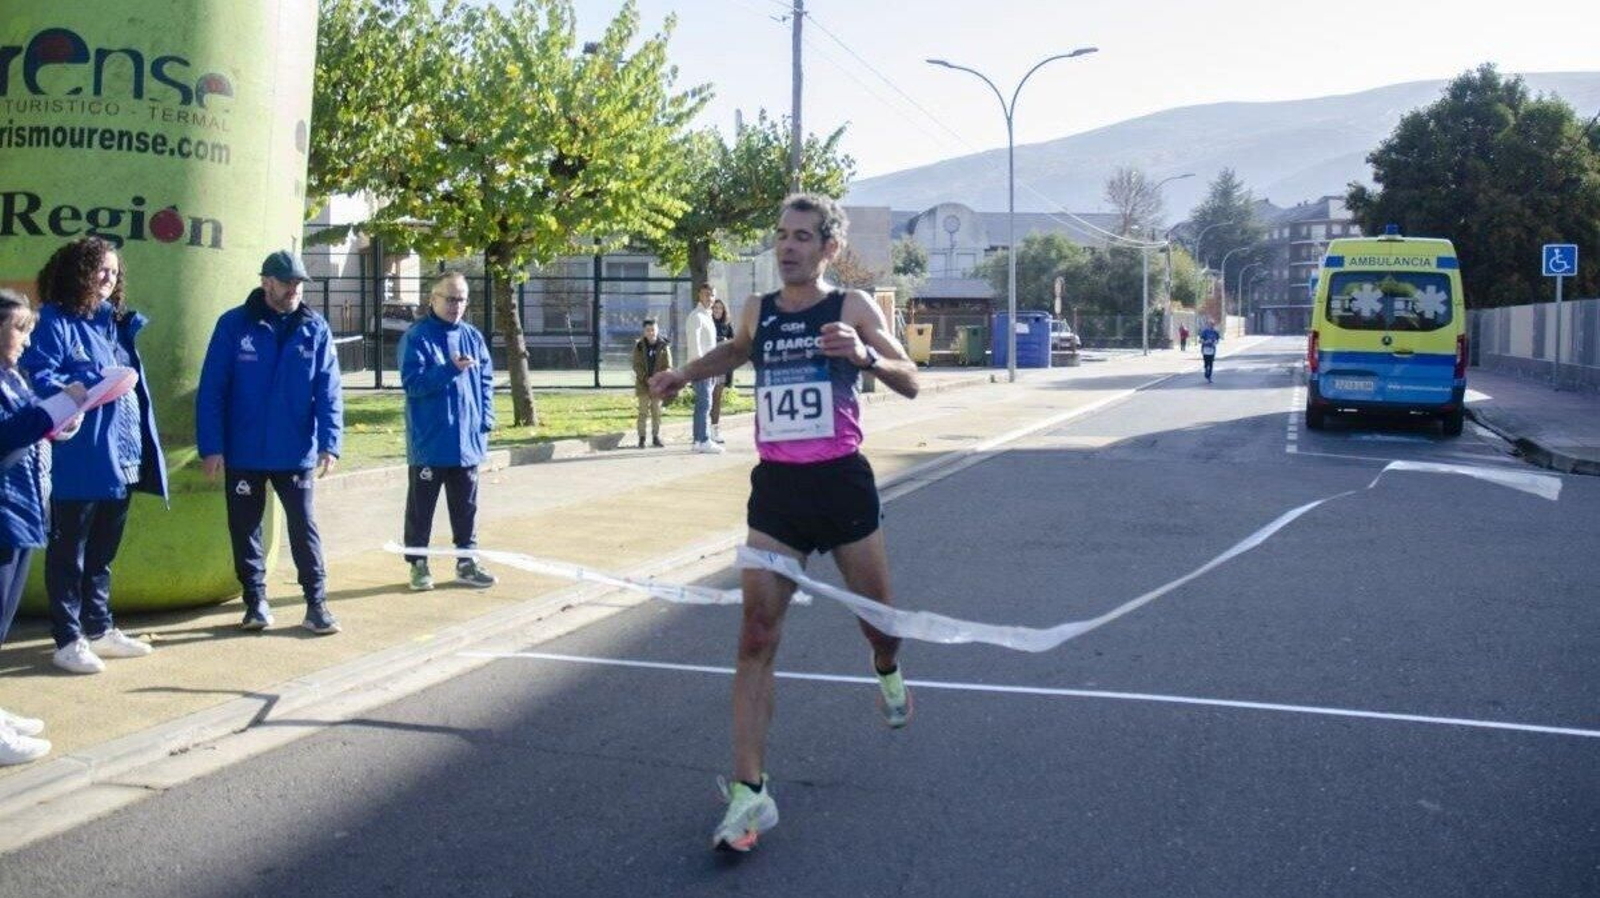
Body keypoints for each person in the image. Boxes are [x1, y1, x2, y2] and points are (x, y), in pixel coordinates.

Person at [650, 194, 920, 853]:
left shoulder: (852, 308)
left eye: (802, 237)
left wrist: (864, 356)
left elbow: (912, 379)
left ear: (828, 248)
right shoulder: (757, 310)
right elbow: (738, 352)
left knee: (880, 623)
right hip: (778, 492)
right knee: (755, 636)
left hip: (842, 483)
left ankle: (885, 667)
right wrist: (685, 373)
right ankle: (750, 793)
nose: (787, 247)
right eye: (781, 236)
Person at [24, 237, 168, 674]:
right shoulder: (53, 320)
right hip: (80, 459)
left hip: (121, 459)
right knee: (70, 554)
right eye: (99, 269)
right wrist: (84, 381)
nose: (108, 278)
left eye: (113, 271)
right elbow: (39, 377)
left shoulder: (113, 325)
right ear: (77, 272)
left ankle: (100, 628)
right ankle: (68, 639)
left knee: (102, 554)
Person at [196, 250, 343, 635]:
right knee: (245, 528)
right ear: (267, 282)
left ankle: (316, 603)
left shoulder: (316, 328)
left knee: (303, 526)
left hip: (295, 451)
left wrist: (331, 442)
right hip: (243, 450)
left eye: (298, 283)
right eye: (287, 282)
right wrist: (211, 446)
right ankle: (256, 602)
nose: (294, 289)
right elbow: (212, 389)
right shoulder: (233, 325)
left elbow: (329, 391)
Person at [0, 289, 87, 763]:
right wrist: (54, 409)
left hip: (20, 511)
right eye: (19, 329)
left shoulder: (12, 376)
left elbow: (31, 425)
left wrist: (62, 420)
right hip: (3, 511)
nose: (27, 341)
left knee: (4, 619)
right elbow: (6, 435)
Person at [399, 272, 497, 592]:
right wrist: (449, 368)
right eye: (450, 298)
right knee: (421, 508)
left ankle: (466, 561)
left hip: (467, 443)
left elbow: (485, 383)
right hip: (430, 442)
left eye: (462, 299)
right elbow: (413, 384)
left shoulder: (473, 337)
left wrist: (486, 420)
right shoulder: (418, 337)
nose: (456, 305)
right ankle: (418, 563)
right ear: (433, 299)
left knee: (466, 507)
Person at [684, 285, 722, 454]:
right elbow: (695, 345)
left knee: (704, 404)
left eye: (712, 295)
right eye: (706, 294)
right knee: (704, 405)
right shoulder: (696, 316)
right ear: (699, 295)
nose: (709, 298)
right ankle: (703, 439)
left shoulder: (707, 316)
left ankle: (698, 441)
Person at [632, 317, 671, 449]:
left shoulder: (664, 346)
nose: (651, 333)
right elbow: (636, 365)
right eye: (648, 330)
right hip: (643, 385)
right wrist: (645, 378)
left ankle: (656, 437)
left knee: (656, 411)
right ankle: (642, 438)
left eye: (653, 330)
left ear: (657, 330)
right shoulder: (639, 346)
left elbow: (668, 366)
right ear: (644, 332)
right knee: (643, 412)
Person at [709, 297, 735, 443]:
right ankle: (703, 430)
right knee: (706, 399)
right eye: (715, 308)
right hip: (708, 366)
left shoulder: (727, 325)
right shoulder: (707, 322)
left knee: (717, 399)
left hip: (722, 367)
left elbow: (734, 343)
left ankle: (715, 429)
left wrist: (726, 342)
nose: (717, 310)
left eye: (720, 308)